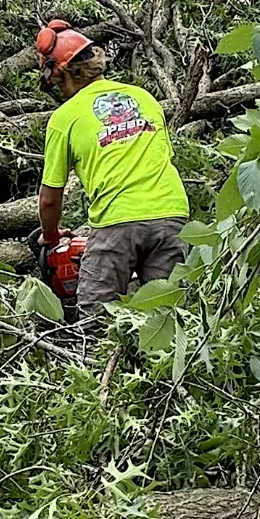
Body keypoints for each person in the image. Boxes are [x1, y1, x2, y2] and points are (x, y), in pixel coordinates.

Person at [35, 18, 189, 318]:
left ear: (60, 72)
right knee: (168, 318)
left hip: (116, 222)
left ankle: (96, 362)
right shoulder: (144, 97)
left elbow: (50, 198)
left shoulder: (65, 118)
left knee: (96, 320)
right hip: (172, 214)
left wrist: (50, 236)